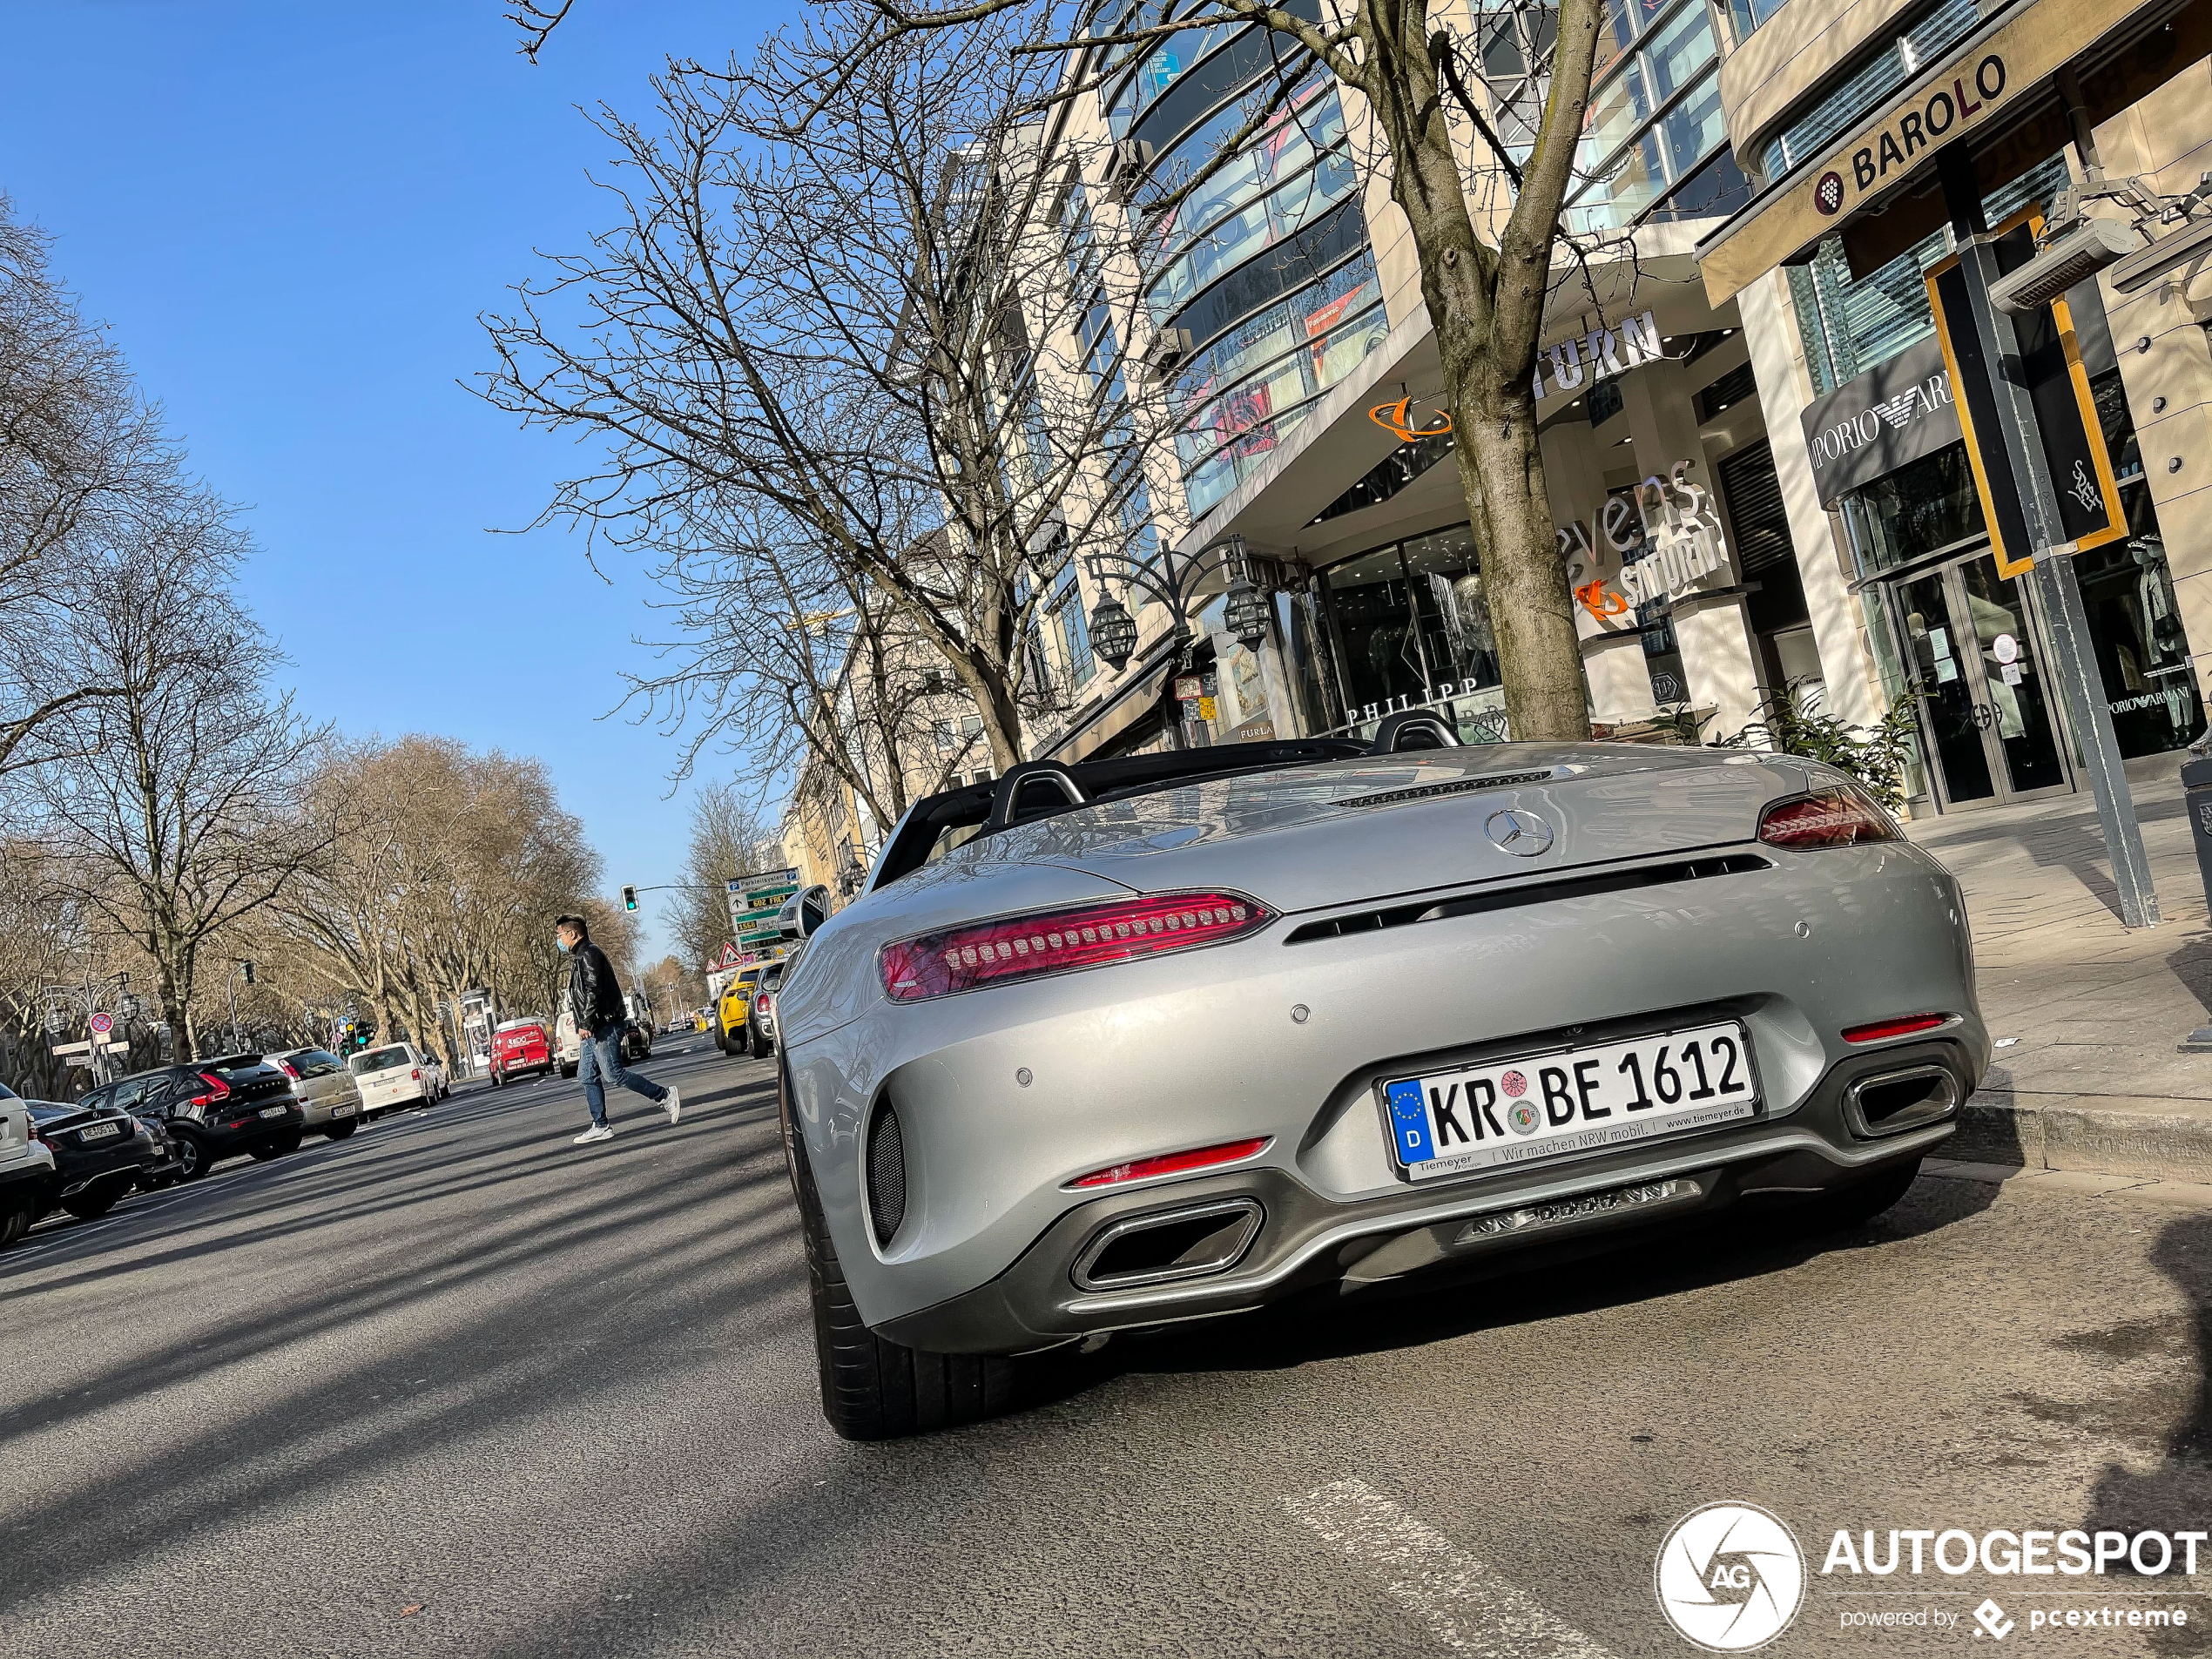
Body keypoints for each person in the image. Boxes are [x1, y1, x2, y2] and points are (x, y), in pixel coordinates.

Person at [556, 914, 680, 1145]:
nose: (559, 940)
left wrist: (586, 1023)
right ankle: (601, 1125)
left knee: (613, 1074)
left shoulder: (588, 954)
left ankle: (664, 1096)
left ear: (572, 933)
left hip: (603, 1024)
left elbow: (594, 990)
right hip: (596, 1027)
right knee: (586, 1076)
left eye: (560, 935)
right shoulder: (582, 956)